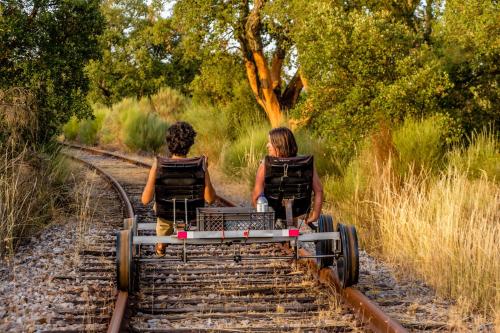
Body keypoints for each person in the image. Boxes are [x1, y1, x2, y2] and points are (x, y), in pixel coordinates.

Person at [142, 121, 217, 256]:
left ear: (169, 143)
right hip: (192, 213)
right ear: (190, 144)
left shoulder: (159, 164)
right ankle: (170, 237)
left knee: (161, 215)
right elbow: (210, 199)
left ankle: (161, 244)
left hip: (166, 213)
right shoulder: (200, 165)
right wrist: (206, 170)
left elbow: (145, 200)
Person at [252, 127, 323, 225]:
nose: (267, 145)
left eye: (270, 142)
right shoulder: (306, 163)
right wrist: (315, 215)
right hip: (299, 209)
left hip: (273, 210)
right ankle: (291, 231)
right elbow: (319, 190)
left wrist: (263, 218)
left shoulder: (265, 165)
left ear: (279, 145)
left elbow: (256, 196)